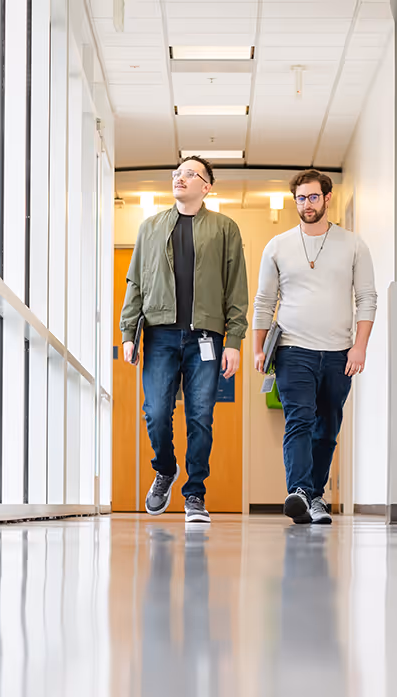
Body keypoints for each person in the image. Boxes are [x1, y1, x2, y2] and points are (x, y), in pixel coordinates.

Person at [120, 156, 249, 523]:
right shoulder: (151, 227)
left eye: (190, 174)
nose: (180, 178)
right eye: (177, 172)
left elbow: (236, 288)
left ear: (207, 186)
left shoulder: (225, 228)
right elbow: (136, 283)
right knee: (156, 413)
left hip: (206, 338)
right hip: (159, 335)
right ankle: (165, 469)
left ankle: (195, 494)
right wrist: (129, 332)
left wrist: (234, 340)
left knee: (200, 417)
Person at [252, 169, 378, 525]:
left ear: (327, 197)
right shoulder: (277, 246)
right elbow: (264, 301)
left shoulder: (354, 245)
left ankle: (315, 495)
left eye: (312, 197)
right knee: (299, 421)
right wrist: (260, 348)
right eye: (300, 198)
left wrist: (360, 347)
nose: (306, 204)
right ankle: (301, 493)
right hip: (293, 350)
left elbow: (367, 298)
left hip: (339, 353)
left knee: (327, 428)